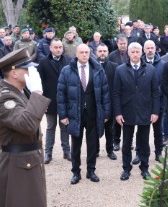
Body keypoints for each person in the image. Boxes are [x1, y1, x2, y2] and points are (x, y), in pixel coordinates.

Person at [0, 48, 51, 207]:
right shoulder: (6, 96)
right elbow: (27, 125)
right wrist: (37, 92)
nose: (33, 71)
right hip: (17, 164)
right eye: (27, 68)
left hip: (27, 160)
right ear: (14, 73)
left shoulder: (20, 93)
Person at [57, 44, 111, 184]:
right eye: (81, 52)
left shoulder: (98, 69)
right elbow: (61, 94)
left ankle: (91, 170)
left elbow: (105, 92)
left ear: (90, 53)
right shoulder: (66, 71)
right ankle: (76, 172)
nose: (84, 55)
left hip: (93, 113)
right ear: (76, 54)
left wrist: (105, 112)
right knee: (76, 144)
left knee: (93, 143)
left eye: (87, 52)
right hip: (75, 113)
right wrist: (63, 115)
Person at [113, 42, 160, 181]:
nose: (135, 54)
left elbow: (155, 93)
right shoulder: (120, 70)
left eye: (137, 52)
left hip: (145, 110)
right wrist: (118, 113)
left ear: (141, 53)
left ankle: (144, 168)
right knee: (127, 142)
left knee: (144, 142)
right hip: (127, 111)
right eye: (132, 52)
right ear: (128, 53)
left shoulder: (151, 69)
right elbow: (116, 93)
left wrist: (155, 112)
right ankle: (126, 169)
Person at [38, 38, 71, 164]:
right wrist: (42, 101)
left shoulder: (67, 60)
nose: (58, 49)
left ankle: (66, 151)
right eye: (56, 47)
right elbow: (39, 83)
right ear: (50, 48)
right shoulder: (43, 62)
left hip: (65, 100)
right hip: (50, 100)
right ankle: (48, 153)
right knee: (51, 127)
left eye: (60, 47)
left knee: (65, 127)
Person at [132, 40, 164, 163]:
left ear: (156, 49)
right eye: (147, 48)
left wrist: (154, 92)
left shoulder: (162, 64)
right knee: (141, 130)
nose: (150, 50)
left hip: (157, 102)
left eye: (152, 48)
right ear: (143, 50)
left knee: (158, 130)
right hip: (142, 103)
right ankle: (139, 153)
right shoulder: (138, 63)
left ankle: (158, 152)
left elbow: (164, 83)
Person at [95, 43, 117, 160]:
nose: (102, 53)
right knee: (94, 129)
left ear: (108, 52)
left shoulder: (114, 66)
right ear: (96, 52)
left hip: (110, 102)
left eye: (104, 51)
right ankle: (96, 150)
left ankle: (110, 150)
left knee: (110, 129)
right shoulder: (91, 66)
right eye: (100, 51)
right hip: (95, 103)